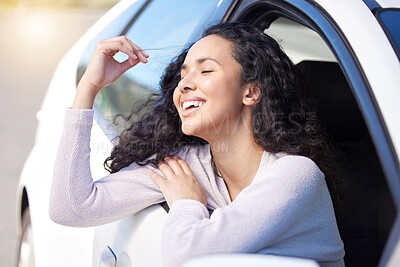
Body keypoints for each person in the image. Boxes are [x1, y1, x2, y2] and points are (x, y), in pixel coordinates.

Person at [50, 22, 345, 266]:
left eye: (205, 71)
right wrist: (89, 88)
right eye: (183, 74)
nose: (185, 85)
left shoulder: (296, 174)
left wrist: (188, 204)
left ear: (251, 92)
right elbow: (71, 208)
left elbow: (187, 256)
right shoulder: (186, 167)